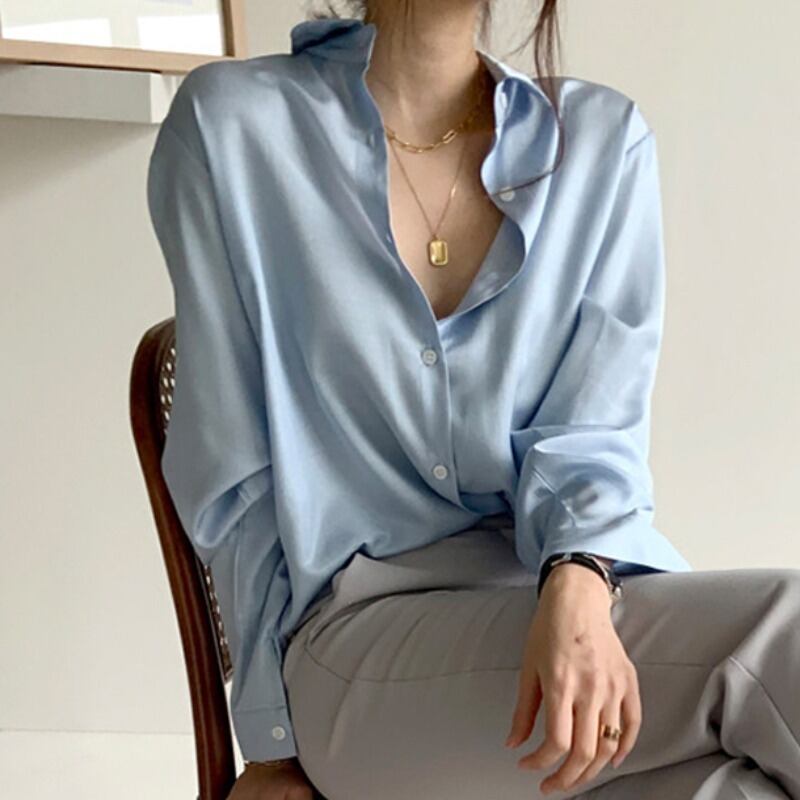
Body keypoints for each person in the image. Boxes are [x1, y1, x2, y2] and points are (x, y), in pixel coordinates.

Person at [145, 2, 800, 799]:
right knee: (783, 635)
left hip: (563, 618)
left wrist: (580, 577)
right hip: (356, 646)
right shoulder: (233, 126)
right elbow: (232, 468)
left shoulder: (600, 143)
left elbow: (593, 431)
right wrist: (272, 744)